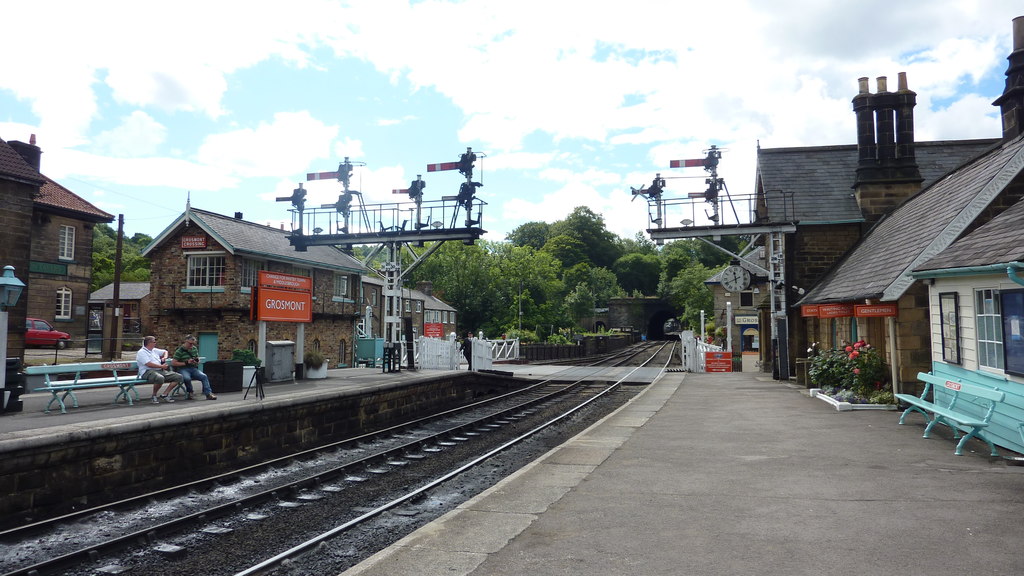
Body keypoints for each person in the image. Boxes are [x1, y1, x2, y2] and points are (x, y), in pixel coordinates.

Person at [136, 335, 184, 404]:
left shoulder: (154, 350)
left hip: (159, 370)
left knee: (178, 377)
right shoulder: (141, 352)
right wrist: (161, 366)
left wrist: (164, 357)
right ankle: (154, 395)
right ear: (149, 343)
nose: (155, 343)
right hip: (147, 371)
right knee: (159, 378)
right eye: (154, 342)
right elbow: (148, 364)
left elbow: (165, 352)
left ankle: (165, 394)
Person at [172, 335, 216, 400]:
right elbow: (174, 363)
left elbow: (197, 357)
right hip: (183, 369)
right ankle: (190, 392)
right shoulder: (179, 351)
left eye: (193, 344)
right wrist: (186, 362)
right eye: (190, 343)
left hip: (193, 368)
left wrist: (196, 361)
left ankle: (208, 393)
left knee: (204, 376)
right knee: (187, 378)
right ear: (186, 341)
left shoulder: (194, 349)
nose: (191, 345)